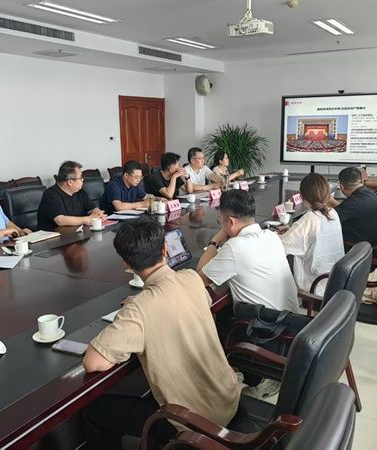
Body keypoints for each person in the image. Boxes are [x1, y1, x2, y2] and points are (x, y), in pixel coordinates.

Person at [82, 217, 240, 449]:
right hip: (228, 399)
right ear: (165, 248)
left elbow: (93, 362)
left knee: (95, 412)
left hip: (194, 423)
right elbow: (199, 302)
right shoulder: (192, 278)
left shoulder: (139, 310)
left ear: (127, 264)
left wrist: (140, 307)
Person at [197, 189, 298, 312]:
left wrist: (215, 241)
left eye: (221, 221)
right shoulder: (271, 236)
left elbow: (199, 279)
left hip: (266, 322)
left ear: (231, 221)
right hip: (293, 319)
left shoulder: (235, 247)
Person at [279, 173, 344, 295]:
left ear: (302, 195)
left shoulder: (309, 219)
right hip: (333, 282)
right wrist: (292, 230)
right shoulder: (332, 212)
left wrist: (271, 235)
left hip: (314, 287)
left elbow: (279, 246)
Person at [37, 161, 106, 230]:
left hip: (77, 232)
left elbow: (92, 208)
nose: (83, 180)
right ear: (70, 182)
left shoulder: (79, 191)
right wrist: (87, 219)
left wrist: (98, 214)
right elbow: (60, 220)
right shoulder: (50, 194)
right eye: (80, 178)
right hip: (55, 235)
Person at [331, 166, 377, 249]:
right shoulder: (368, 193)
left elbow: (330, 219)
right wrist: (330, 200)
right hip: (376, 239)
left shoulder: (354, 202)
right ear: (361, 181)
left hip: (361, 247)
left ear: (341, 186)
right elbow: (344, 209)